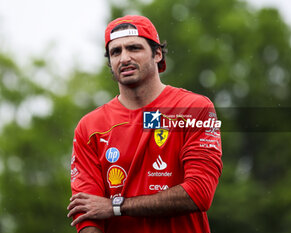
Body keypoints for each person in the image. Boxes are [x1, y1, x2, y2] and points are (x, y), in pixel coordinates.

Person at [67, 15, 223, 233]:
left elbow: (199, 193)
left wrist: (116, 207)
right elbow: (88, 215)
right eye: (116, 52)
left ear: (157, 54)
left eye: (134, 48)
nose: (124, 58)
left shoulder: (194, 109)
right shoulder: (90, 127)